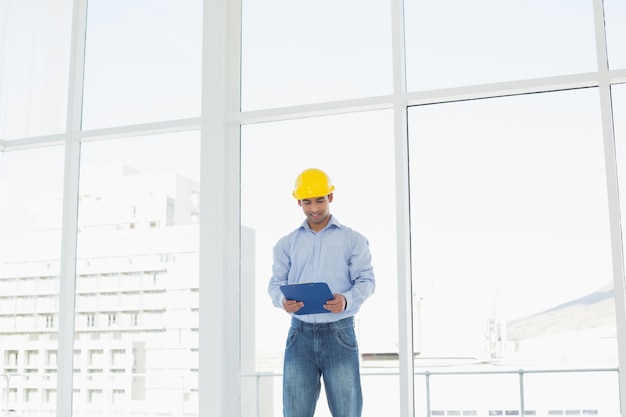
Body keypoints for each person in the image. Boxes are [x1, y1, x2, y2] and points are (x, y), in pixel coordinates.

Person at [268, 167, 376, 417]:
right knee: (294, 412)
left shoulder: (353, 240)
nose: (314, 208)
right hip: (300, 335)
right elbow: (275, 283)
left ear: (331, 197)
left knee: (347, 412)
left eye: (319, 200)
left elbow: (367, 280)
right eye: (307, 202)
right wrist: (282, 300)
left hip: (339, 334)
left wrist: (346, 300)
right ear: (298, 202)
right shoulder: (286, 244)